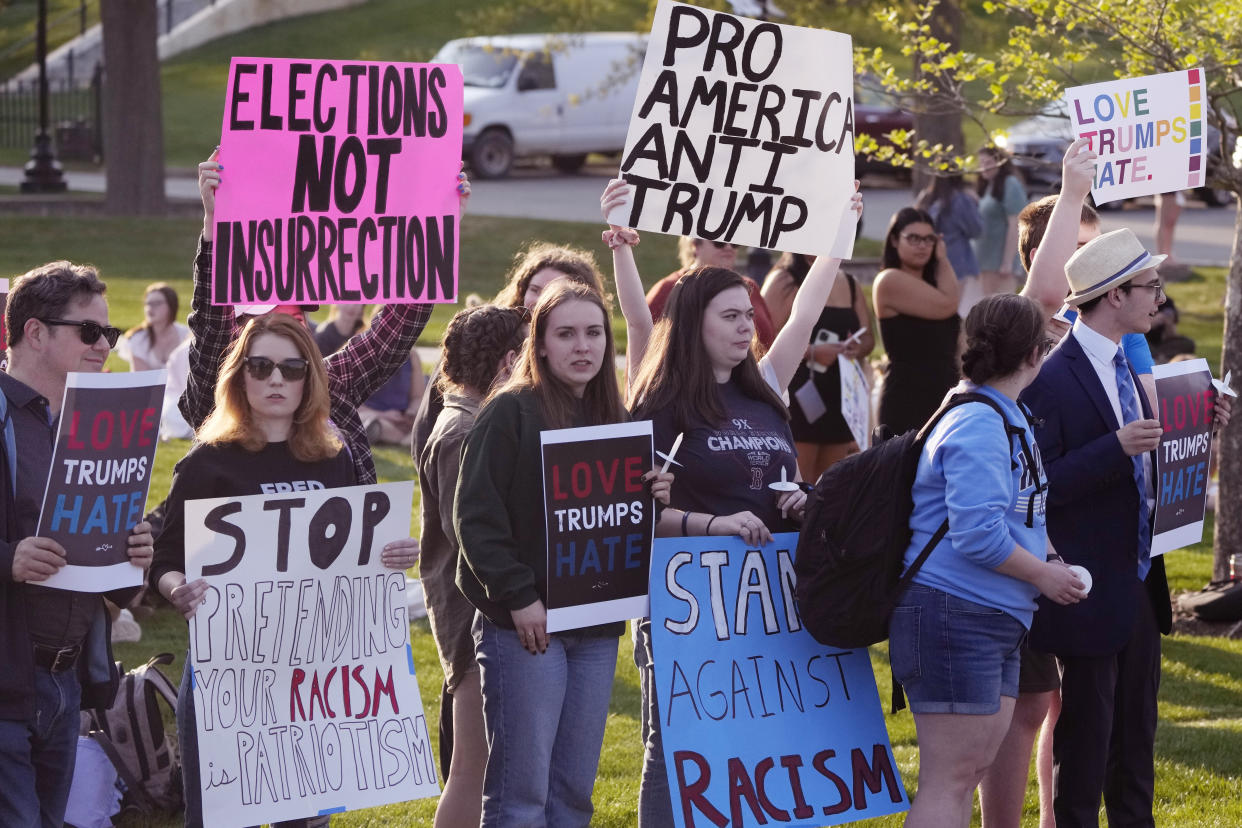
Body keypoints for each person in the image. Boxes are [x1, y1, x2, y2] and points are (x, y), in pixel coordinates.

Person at [149, 313, 420, 828]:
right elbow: (164, 560)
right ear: (240, 376)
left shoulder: (333, 459)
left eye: (293, 369)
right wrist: (176, 586)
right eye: (261, 366)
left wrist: (389, 555)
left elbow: (352, 560)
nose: (276, 379)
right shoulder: (207, 462)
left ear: (309, 379)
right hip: (226, 676)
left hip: (312, 680)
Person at [1019, 227, 1230, 828]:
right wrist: (1114, 447)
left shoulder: (1128, 369)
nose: (1159, 297)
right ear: (1113, 296)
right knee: (1085, 749)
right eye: (1149, 286)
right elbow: (1038, 486)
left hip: (1140, 578)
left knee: (1137, 741)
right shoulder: (1051, 377)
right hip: (1085, 583)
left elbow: (1151, 462)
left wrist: (1200, 421)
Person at [454, 280, 672, 827]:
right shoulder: (511, 412)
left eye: (594, 332)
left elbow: (614, 527)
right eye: (566, 333)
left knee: (573, 793)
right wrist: (519, 598)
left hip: (595, 628)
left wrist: (651, 497)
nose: (583, 346)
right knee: (521, 793)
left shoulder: (616, 418)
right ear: (541, 343)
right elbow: (476, 517)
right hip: (527, 625)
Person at [889, 293, 1085, 828]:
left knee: (969, 770)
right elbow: (978, 535)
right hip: (955, 614)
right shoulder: (979, 422)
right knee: (950, 780)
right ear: (1034, 355)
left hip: (986, 616)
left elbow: (1019, 516)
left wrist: (1051, 560)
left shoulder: (1002, 412)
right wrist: (1045, 574)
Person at [183, 148, 467, 485]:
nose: (277, 374)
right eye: (260, 363)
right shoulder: (216, 399)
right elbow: (211, 328)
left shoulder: (333, 387)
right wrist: (216, 225)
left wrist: (436, 229)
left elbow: (395, 330)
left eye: (292, 362)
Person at [0, 262, 154, 826]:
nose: (104, 345)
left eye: (109, 334)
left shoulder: (96, 424)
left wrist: (132, 553)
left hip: (67, 684)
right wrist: (7, 558)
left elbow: (107, 574)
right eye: (89, 332)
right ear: (34, 332)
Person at [418, 303, 526, 828]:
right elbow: (472, 534)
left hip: (475, 605)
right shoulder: (463, 431)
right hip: (471, 613)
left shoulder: (467, 419)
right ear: (508, 363)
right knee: (472, 767)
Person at [761, 251, 876, 481]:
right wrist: (812, 352)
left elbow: (868, 338)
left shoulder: (849, 283)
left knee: (829, 486)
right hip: (798, 395)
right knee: (798, 482)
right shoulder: (784, 279)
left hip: (838, 397)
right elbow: (762, 339)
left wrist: (855, 348)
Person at [873, 207, 962, 436]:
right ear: (894, 240)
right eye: (913, 238)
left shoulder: (937, 284)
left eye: (929, 239)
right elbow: (949, 304)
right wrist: (941, 259)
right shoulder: (888, 281)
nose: (922, 245)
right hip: (906, 400)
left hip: (943, 397)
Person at [643, 235, 777, 348]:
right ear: (695, 244)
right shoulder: (668, 289)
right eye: (719, 241)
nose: (728, 247)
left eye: (734, 241)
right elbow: (640, 350)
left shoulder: (749, 287)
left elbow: (769, 343)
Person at [917, 171, 984, 314]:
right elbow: (976, 230)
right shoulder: (961, 200)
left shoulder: (927, 198)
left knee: (933, 309)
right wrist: (976, 204)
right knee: (954, 310)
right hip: (957, 259)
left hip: (928, 259)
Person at [975, 146, 1028, 297]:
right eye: (981, 162)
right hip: (986, 261)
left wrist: (1007, 262)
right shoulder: (989, 185)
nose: (983, 167)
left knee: (1001, 309)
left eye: (988, 162)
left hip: (1000, 263)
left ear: (1001, 162)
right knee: (987, 308)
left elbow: (1016, 225)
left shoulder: (1010, 184)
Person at [118, 282, 190, 371]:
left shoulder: (187, 336)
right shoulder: (138, 338)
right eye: (147, 303)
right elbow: (141, 379)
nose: (150, 308)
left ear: (171, 306)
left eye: (157, 303)